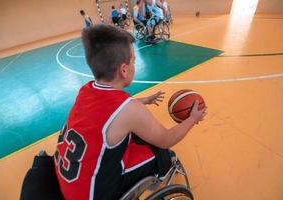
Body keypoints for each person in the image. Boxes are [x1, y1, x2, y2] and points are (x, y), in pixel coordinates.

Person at [54, 24, 207, 200]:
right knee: (162, 152)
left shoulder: (85, 91)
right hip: (95, 194)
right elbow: (167, 139)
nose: (134, 64)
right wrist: (193, 118)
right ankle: (165, 169)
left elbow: (105, 113)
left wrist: (143, 101)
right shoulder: (129, 110)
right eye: (134, 60)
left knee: (134, 137)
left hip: (71, 181)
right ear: (124, 70)